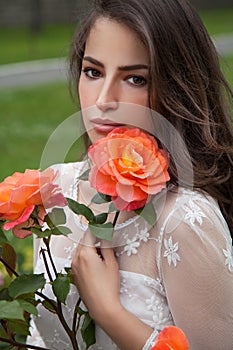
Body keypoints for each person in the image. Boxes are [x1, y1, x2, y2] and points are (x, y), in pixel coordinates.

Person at [27, 0, 233, 349]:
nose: (105, 99)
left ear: (177, 88)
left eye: (135, 78)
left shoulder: (183, 220)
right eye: (93, 72)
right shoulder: (55, 190)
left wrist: (109, 312)